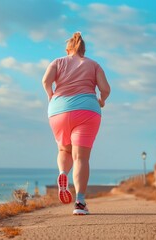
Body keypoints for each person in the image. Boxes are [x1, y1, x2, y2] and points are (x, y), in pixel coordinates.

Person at [42, 32, 110, 215]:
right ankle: (80, 203)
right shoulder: (93, 64)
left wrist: (51, 95)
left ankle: (63, 173)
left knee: (64, 150)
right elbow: (105, 89)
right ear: (83, 50)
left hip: (58, 110)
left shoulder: (57, 62)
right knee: (81, 158)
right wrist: (101, 100)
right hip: (87, 110)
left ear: (68, 49)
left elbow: (45, 81)